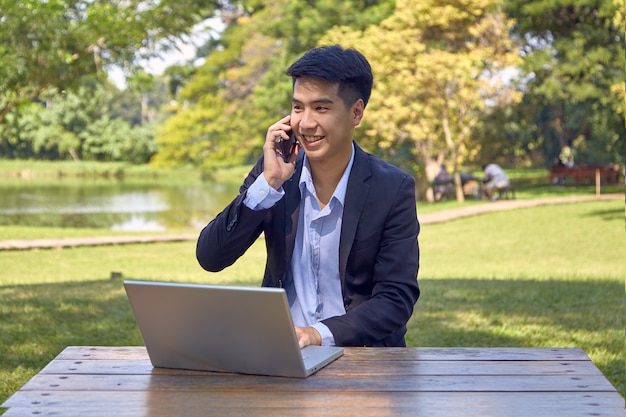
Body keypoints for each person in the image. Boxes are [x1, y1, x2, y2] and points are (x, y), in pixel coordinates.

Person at [196, 45, 420, 348]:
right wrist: (269, 183)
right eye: (298, 107)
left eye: (321, 108)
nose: (305, 123)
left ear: (356, 112)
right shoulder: (275, 173)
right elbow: (211, 257)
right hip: (282, 353)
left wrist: (318, 335)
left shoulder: (391, 188)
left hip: (362, 358)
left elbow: (396, 299)